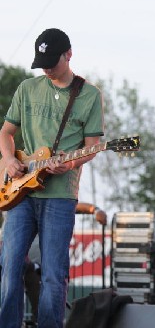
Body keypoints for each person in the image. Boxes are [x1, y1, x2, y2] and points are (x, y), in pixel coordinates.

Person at [0, 28, 104, 327]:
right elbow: (6, 133)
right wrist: (9, 161)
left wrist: (70, 165)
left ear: (68, 54)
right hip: (19, 192)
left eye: (52, 62)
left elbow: (92, 147)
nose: (46, 68)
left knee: (53, 275)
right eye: (41, 62)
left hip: (59, 196)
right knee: (9, 266)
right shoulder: (27, 89)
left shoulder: (89, 95)